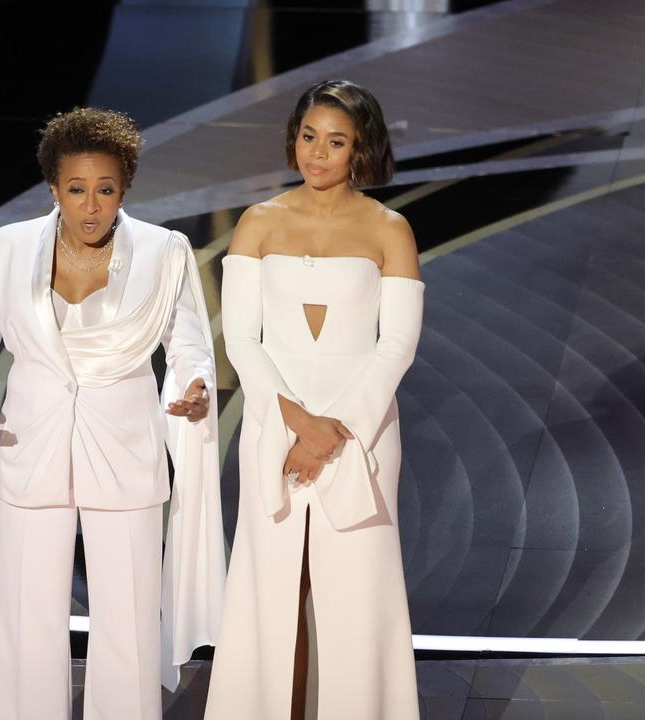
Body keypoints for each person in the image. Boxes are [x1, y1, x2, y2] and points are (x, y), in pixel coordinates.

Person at [0, 107, 225, 720]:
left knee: (127, 620)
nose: (91, 205)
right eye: (77, 190)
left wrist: (197, 385)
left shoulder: (165, 251)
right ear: (54, 188)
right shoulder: (10, 245)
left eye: (105, 190)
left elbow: (189, 346)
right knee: (27, 619)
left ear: (124, 188)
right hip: (30, 443)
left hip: (124, 448)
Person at [204, 80, 423, 720]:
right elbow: (243, 339)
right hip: (276, 422)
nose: (316, 153)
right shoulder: (259, 222)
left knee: (357, 587)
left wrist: (335, 430)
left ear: (361, 149)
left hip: (364, 430)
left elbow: (398, 346)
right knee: (270, 580)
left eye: (335, 141)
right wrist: (297, 422)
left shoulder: (390, 228)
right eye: (308, 137)